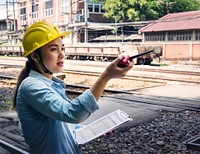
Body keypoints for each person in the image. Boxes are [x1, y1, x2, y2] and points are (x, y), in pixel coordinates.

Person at [13, 21, 134, 154]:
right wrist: (105, 77)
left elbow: (66, 126)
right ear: (35, 56)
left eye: (62, 48)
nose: (62, 54)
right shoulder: (31, 86)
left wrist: (92, 130)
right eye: (53, 49)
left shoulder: (51, 85)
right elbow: (72, 114)